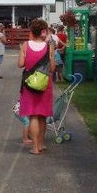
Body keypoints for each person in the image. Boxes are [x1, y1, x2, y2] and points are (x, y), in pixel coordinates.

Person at [17, 18, 56, 155]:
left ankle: (34, 148)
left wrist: (23, 54)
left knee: (33, 116)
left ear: (32, 31)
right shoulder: (49, 47)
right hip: (45, 84)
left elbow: (20, 64)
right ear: (44, 31)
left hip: (29, 84)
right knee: (42, 116)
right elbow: (52, 68)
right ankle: (40, 144)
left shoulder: (25, 45)